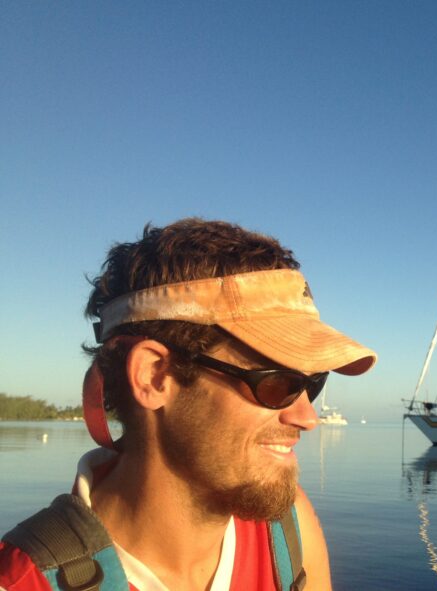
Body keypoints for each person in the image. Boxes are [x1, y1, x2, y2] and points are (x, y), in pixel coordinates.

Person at [0, 218, 376, 591]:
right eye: (278, 383)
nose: (307, 417)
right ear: (154, 376)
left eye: (313, 383)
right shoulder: (22, 581)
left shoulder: (285, 528)